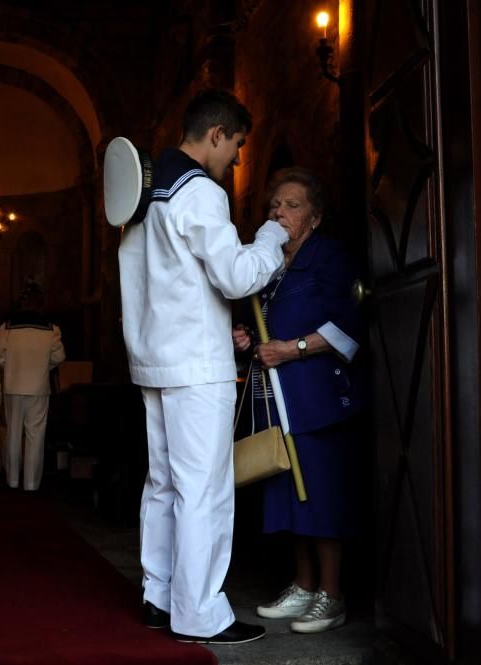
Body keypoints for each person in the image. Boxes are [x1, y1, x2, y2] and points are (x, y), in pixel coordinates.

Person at [118, 89, 291, 645]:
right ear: (216, 134)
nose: (238, 159)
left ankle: (158, 595)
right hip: (195, 361)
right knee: (205, 489)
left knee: (164, 483)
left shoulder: (142, 194)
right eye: (237, 145)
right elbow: (238, 277)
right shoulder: (199, 192)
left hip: (154, 356)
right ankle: (199, 614)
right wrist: (270, 237)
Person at [231, 167, 366, 634]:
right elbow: (265, 322)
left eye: (292, 205)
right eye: (275, 205)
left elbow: (349, 322)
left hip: (318, 397)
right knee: (289, 495)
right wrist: (249, 340)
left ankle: (332, 595)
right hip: (277, 401)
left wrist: (292, 349)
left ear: (314, 218)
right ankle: (304, 586)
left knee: (322, 495)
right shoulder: (268, 266)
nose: (279, 213)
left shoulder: (328, 258)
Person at [0, 287, 65, 491]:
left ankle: (13, 480)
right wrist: (43, 366)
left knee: (13, 433)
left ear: (22, 305)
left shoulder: (7, 327)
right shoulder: (51, 329)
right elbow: (59, 357)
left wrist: (11, 367)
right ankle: (31, 484)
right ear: (40, 306)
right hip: (39, 387)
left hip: (13, 385)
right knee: (36, 435)